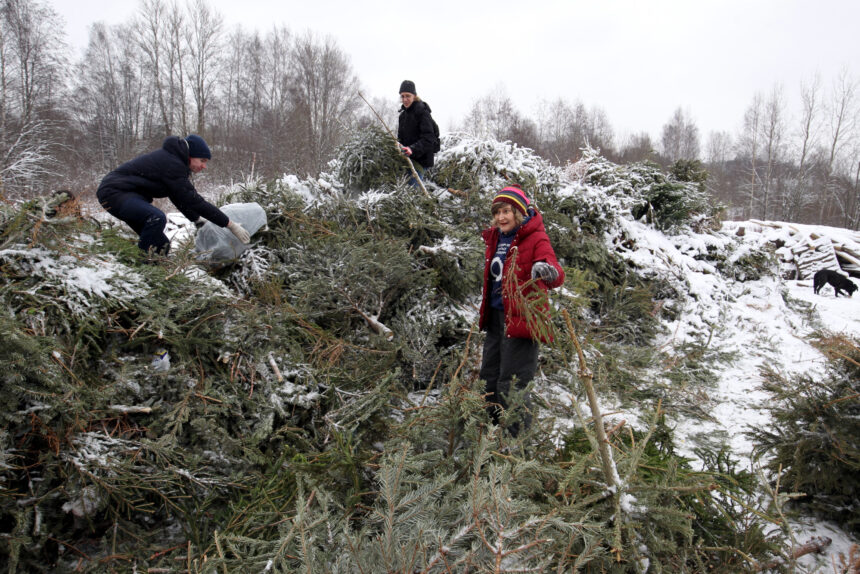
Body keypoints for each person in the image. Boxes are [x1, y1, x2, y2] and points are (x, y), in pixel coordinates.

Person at [478, 185, 565, 437]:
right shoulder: (495, 238)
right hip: (496, 318)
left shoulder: (535, 237)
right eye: (497, 212)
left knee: (512, 383)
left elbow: (555, 271)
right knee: (489, 376)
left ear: (519, 212)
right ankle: (491, 433)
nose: (501, 217)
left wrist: (547, 270)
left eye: (506, 211)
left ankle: (516, 443)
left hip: (523, 320)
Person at [97, 135, 250, 256]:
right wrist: (230, 224)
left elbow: (178, 197)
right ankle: (143, 269)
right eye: (202, 160)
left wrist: (197, 219)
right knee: (156, 217)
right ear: (191, 155)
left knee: (162, 245)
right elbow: (194, 200)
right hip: (115, 193)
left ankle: (155, 270)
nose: (204, 166)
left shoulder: (174, 162)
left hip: (125, 195)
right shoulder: (172, 163)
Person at [396, 80, 438, 181]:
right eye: (402, 96)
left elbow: (429, 138)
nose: (405, 99)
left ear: (414, 96)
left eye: (408, 96)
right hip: (408, 160)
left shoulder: (422, 112)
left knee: (412, 192)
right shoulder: (402, 116)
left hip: (420, 160)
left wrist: (412, 149)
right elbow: (401, 138)